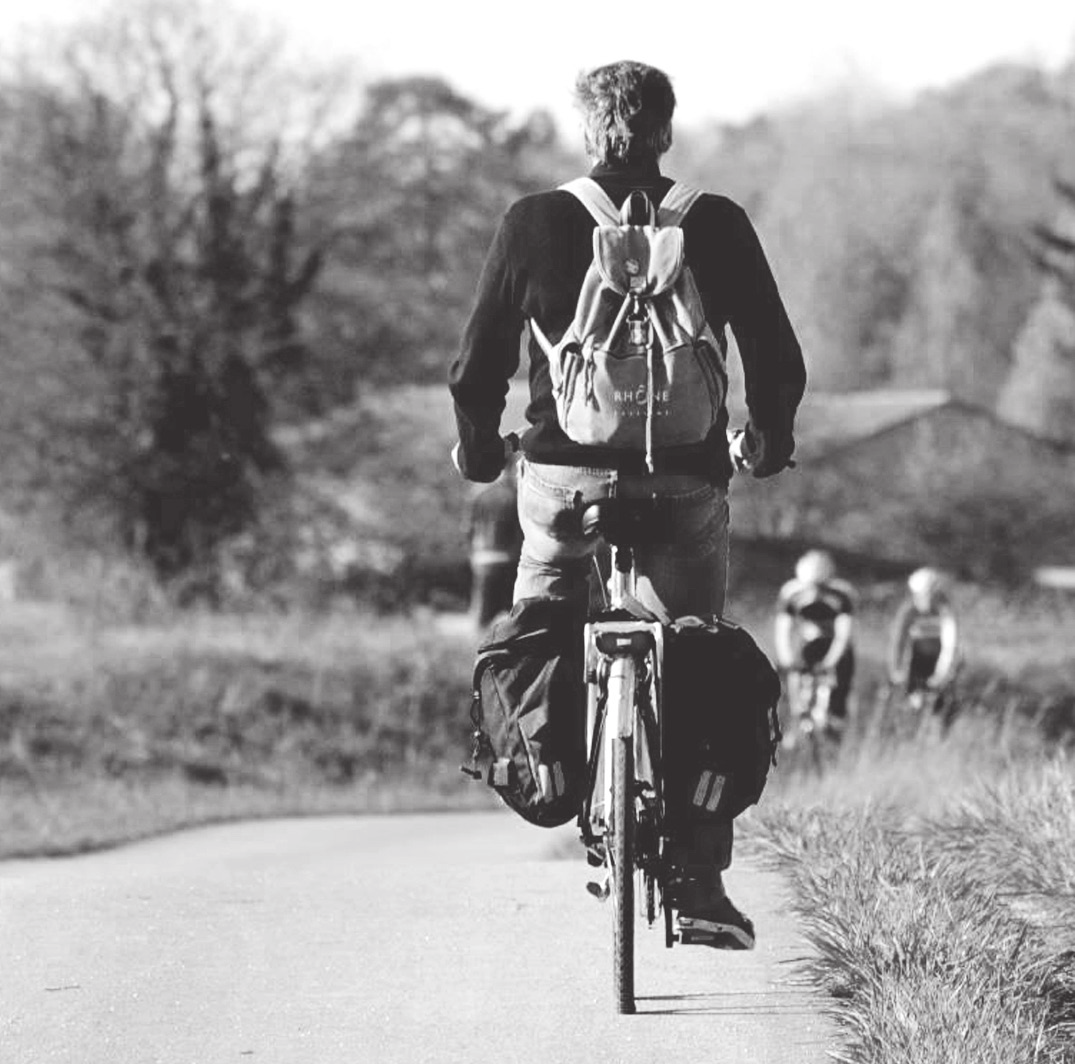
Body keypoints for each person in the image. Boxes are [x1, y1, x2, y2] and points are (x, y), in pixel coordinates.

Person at [449, 61, 805, 950]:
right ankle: (696, 882)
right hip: (685, 481)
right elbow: (773, 351)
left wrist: (480, 447)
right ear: (665, 130)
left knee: (539, 622)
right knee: (693, 650)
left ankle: (555, 770)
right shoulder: (713, 222)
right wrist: (767, 441)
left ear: (586, 130)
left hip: (562, 484)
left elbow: (477, 363)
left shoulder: (533, 222)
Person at [774, 550, 856, 731]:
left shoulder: (842, 593)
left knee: (838, 691)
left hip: (835, 645)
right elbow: (783, 632)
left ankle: (835, 725)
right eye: (810, 586)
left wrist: (830, 662)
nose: (814, 593)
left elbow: (843, 635)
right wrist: (788, 660)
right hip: (807, 644)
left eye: (820, 587)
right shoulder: (791, 592)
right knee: (791, 681)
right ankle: (794, 722)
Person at [887, 567, 959, 714]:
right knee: (910, 703)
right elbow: (898, 641)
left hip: (941, 661)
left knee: (941, 704)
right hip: (916, 661)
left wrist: (941, 675)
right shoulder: (909, 610)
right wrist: (896, 669)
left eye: (926, 595)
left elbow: (950, 647)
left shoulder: (945, 611)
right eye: (918, 595)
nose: (922, 600)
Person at [467, 459, 523, 628]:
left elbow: (469, 529)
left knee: (482, 616)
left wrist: (473, 556)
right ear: (510, 468)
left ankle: (477, 651)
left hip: (483, 559)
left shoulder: (479, 495)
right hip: (509, 559)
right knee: (511, 616)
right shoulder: (515, 495)